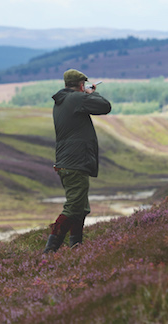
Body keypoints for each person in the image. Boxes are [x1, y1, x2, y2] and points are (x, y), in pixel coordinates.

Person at [43, 69, 111, 253]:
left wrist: (84, 94)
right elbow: (105, 106)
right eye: (84, 86)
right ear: (81, 85)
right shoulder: (75, 99)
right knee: (73, 208)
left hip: (69, 163)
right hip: (75, 163)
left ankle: (76, 247)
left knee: (80, 208)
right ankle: (49, 251)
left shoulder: (63, 100)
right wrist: (92, 93)